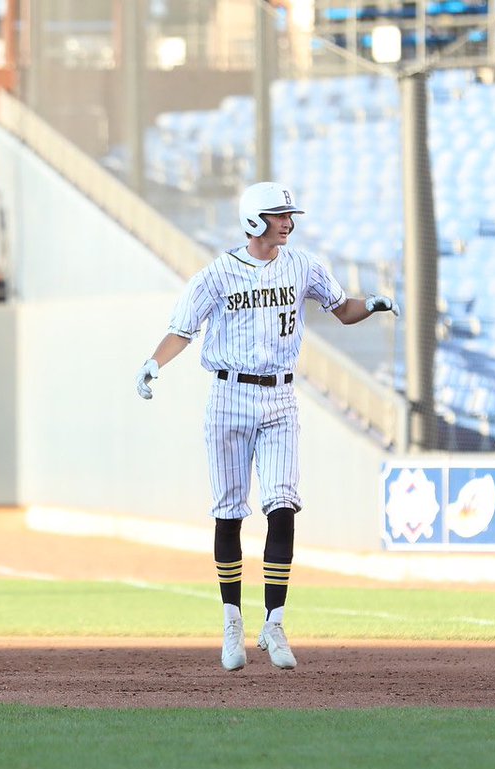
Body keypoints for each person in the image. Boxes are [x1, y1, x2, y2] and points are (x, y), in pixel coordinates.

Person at [134, 181, 400, 672]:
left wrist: (374, 304)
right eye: (280, 215)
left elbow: (342, 310)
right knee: (229, 511)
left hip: (279, 395)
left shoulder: (302, 265)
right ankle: (231, 620)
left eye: (289, 214)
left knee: (282, 506)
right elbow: (182, 330)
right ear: (255, 219)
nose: (289, 222)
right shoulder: (216, 275)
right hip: (229, 393)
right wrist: (153, 364)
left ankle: (274, 621)